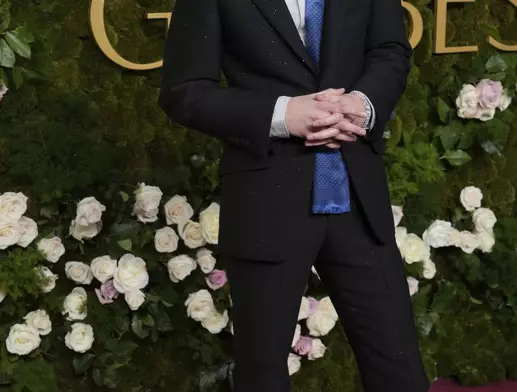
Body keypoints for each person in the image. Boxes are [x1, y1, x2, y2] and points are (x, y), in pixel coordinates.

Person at [158, 0, 429, 391]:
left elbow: (390, 50)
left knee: (399, 368)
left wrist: (362, 105)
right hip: (266, 201)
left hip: (357, 199)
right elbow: (184, 91)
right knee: (262, 374)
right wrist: (283, 115)